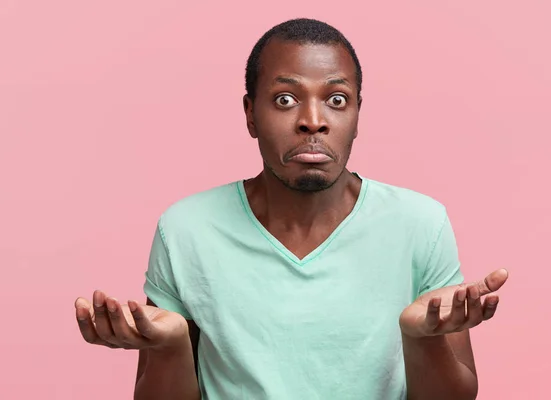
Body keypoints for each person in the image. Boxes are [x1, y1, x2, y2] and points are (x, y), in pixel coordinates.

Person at [74, 18, 508, 400]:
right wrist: (170, 348)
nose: (312, 120)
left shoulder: (420, 224)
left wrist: (420, 341)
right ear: (249, 114)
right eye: (285, 99)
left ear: (358, 115)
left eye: (337, 100)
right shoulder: (186, 229)